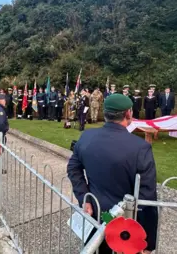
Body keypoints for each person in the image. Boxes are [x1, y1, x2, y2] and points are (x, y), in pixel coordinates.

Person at [67, 93, 158, 254]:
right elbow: (147, 197)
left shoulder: (87, 136)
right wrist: (147, 242)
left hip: (96, 212)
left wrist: (84, 197)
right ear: (128, 113)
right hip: (125, 225)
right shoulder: (140, 148)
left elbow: (73, 168)